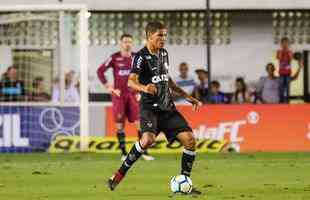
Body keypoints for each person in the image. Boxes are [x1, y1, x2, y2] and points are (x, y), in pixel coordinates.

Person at [107, 22, 202, 195]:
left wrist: (187, 97)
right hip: (149, 109)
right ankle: (119, 174)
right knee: (147, 140)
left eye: (165, 35)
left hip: (168, 108)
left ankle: (185, 180)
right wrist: (145, 88)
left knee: (190, 140)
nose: (163, 39)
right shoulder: (140, 57)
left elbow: (167, 79)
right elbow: (131, 81)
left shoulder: (164, 53)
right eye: (160, 35)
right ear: (149, 36)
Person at [97, 34, 154, 161]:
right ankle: (123, 153)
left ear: (132, 44)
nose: (127, 44)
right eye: (125, 42)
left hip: (133, 95)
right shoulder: (114, 58)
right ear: (121, 43)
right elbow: (100, 71)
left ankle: (143, 152)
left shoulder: (137, 58)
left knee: (140, 124)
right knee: (119, 125)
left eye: (130, 42)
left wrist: (141, 89)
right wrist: (108, 87)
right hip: (119, 96)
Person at [277, 37, 294, 103]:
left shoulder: (290, 51)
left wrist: (287, 50)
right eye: (283, 43)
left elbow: (291, 58)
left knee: (287, 89)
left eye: (286, 43)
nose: (285, 44)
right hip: (281, 73)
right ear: (281, 44)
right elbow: (279, 57)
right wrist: (282, 50)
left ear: (288, 44)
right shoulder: (279, 51)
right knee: (281, 88)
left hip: (288, 73)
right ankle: (281, 102)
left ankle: (287, 102)